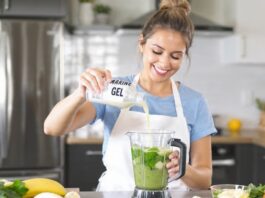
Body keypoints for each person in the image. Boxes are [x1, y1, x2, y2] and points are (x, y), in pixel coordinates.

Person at [44, 0, 216, 191]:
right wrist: (80, 93)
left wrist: (183, 169)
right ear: (141, 43)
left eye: (175, 56)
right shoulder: (114, 89)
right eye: (157, 51)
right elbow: (52, 128)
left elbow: (204, 180)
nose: (165, 63)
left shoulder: (194, 102)